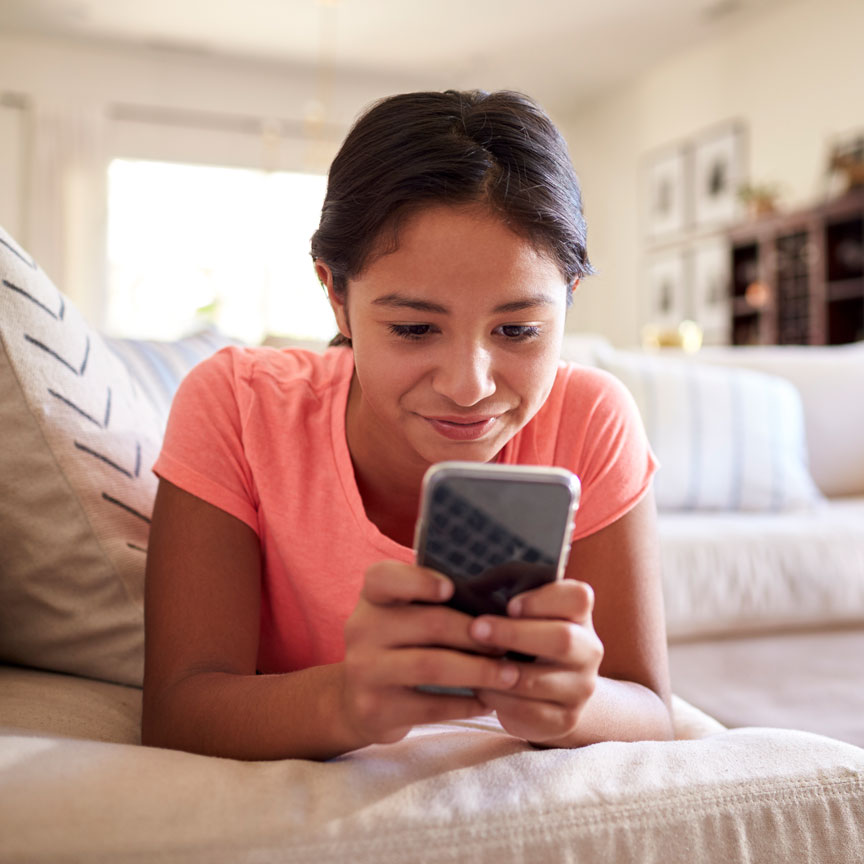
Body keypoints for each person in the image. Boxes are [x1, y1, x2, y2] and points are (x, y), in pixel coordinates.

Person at [142, 89, 674, 761]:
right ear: (336, 295)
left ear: (568, 299)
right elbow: (177, 712)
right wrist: (347, 701)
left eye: (518, 329)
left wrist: (575, 702)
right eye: (415, 328)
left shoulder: (593, 417)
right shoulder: (237, 407)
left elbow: (652, 709)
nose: (468, 386)